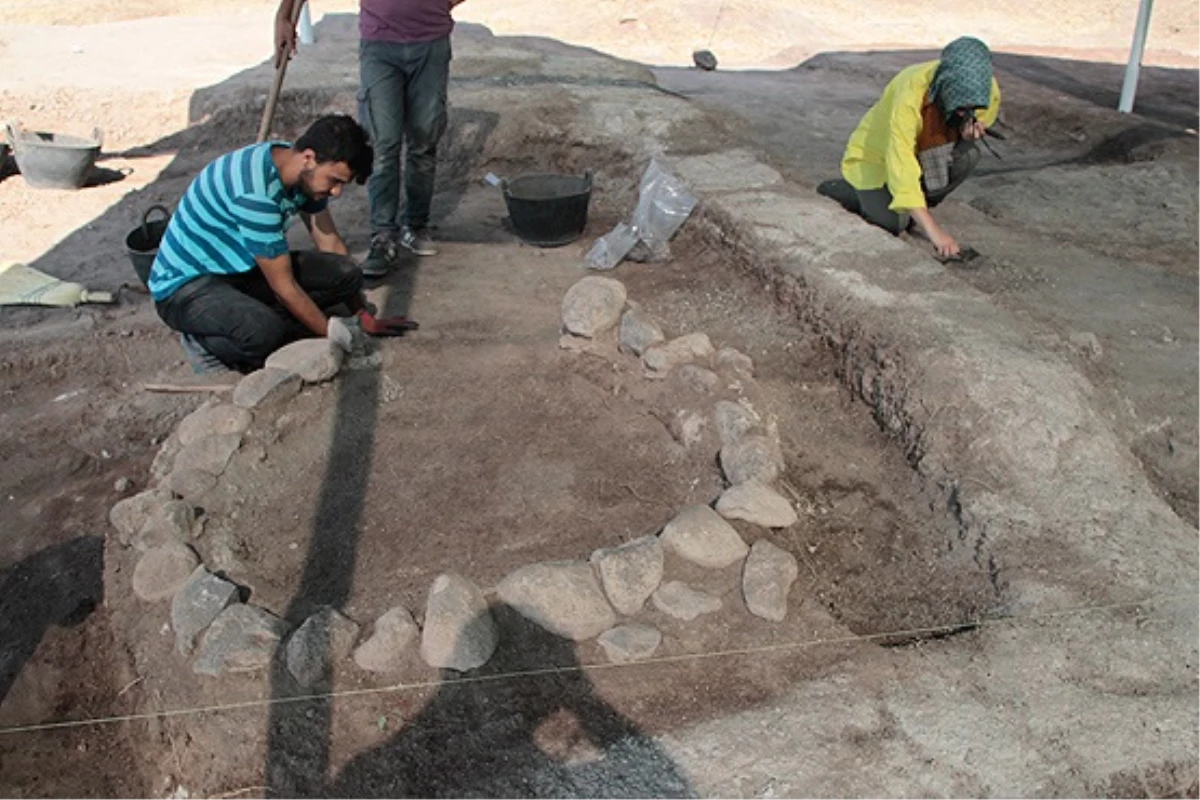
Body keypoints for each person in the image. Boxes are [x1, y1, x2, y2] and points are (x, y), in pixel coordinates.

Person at [150, 114, 413, 374]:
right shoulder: (256, 195)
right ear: (309, 158)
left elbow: (330, 243)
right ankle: (203, 338)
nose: (336, 192)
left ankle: (251, 314)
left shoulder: (295, 166)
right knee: (265, 333)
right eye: (334, 181)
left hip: (240, 267)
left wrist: (361, 316)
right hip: (186, 287)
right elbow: (284, 287)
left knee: (347, 274)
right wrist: (334, 337)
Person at [275, 0, 467, 278]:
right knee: (382, 145)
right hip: (381, 44)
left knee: (424, 141)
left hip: (431, 42)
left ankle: (415, 225)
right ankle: (383, 235)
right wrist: (284, 16)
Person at [836, 36, 1001, 259]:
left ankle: (916, 208)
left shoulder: (987, 91)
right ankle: (849, 189)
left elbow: (978, 121)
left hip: (922, 157)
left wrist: (966, 136)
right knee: (893, 223)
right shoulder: (911, 91)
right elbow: (901, 161)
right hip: (877, 161)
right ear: (945, 85)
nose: (968, 110)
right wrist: (935, 233)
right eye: (961, 105)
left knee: (968, 154)